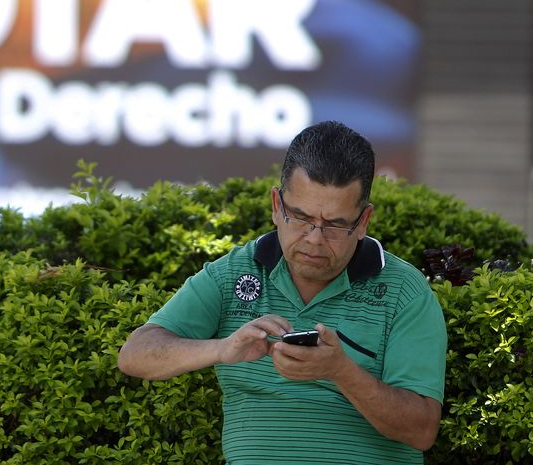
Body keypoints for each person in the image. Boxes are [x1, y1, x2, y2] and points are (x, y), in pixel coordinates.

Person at [117, 121, 447, 465]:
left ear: (363, 221)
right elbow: (135, 355)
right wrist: (222, 348)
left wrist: (341, 371)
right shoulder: (234, 273)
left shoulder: (403, 291)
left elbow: (421, 430)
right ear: (277, 205)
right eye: (300, 217)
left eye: (335, 225)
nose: (314, 239)